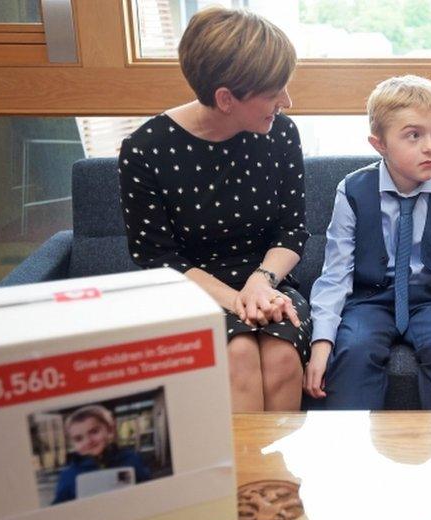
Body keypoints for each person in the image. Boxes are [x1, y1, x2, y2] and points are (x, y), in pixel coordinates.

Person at [119, 6, 310, 412]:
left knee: (281, 355)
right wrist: (236, 300)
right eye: (275, 93)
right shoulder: (145, 150)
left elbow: (292, 231)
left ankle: (279, 476)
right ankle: (242, 477)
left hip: (268, 281)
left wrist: (261, 284)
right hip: (190, 290)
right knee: (237, 355)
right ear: (226, 98)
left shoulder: (280, 134)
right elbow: (157, 258)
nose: (287, 103)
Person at [304, 75, 431, 409]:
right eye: (414, 135)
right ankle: (345, 454)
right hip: (370, 301)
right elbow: (335, 272)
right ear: (379, 144)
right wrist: (321, 341)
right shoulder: (352, 190)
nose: (430, 146)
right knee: (353, 349)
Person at [52, 405, 150, 504]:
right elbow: (59, 510)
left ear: (110, 430)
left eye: (94, 432)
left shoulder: (131, 459)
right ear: (73, 444)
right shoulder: (69, 475)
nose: (88, 441)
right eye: (78, 439)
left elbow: (148, 491)